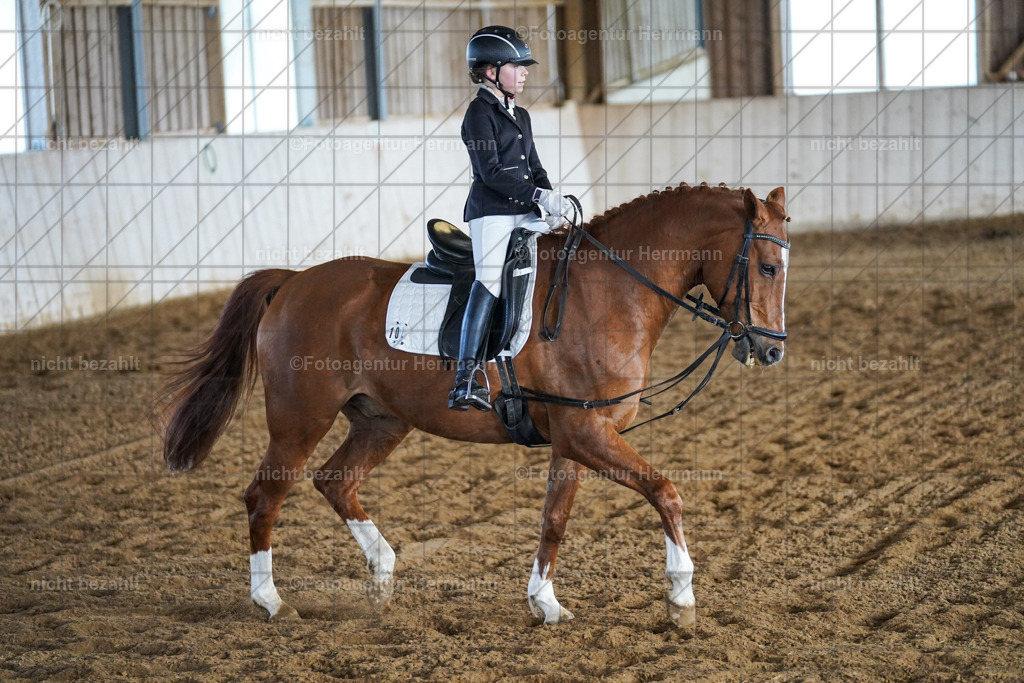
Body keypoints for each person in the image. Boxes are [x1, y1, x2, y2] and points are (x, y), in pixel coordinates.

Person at [449, 26, 574, 412]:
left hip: (523, 208)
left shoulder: (520, 114)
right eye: (515, 67)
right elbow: (490, 173)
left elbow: (534, 166)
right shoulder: (478, 114)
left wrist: (550, 199)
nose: (524, 73)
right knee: (489, 279)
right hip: (491, 214)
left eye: (524, 68)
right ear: (489, 72)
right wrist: (537, 196)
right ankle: (465, 378)